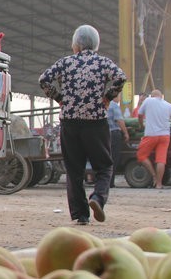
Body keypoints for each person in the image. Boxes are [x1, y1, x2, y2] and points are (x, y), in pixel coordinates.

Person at [38, 25, 126, 224]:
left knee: (74, 170)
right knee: (104, 167)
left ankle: (81, 215)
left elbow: (44, 79)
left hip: (70, 123)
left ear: (75, 44)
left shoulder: (66, 63)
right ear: (96, 44)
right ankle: (97, 198)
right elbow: (120, 77)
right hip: (96, 122)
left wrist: (60, 98)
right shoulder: (103, 62)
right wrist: (108, 97)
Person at [135, 90, 171, 188]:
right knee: (161, 160)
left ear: (152, 96)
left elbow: (140, 115)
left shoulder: (148, 101)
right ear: (161, 96)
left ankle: (154, 176)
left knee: (141, 155)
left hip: (151, 134)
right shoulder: (168, 105)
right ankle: (159, 184)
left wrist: (141, 125)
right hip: (165, 136)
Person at [106, 92, 130, 186]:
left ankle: (105, 180)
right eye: (119, 95)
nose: (119, 98)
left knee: (106, 156)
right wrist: (126, 133)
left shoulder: (105, 103)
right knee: (114, 158)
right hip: (114, 134)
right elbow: (119, 120)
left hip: (105, 134)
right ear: (115, 96)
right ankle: (110, 181)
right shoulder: (114, 106)